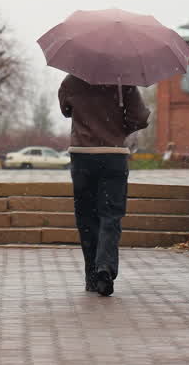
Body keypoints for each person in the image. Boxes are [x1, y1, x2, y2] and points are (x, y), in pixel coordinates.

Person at [58, 73, 150, 297]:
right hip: (113, 155)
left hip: (82, 156)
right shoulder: (123, 82)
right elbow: (140, 117)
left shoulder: (71, 81)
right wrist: (118, 129)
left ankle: (92, 275)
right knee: (111, 215)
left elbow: (66, 110)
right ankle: (105, 268)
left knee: (86, 217)